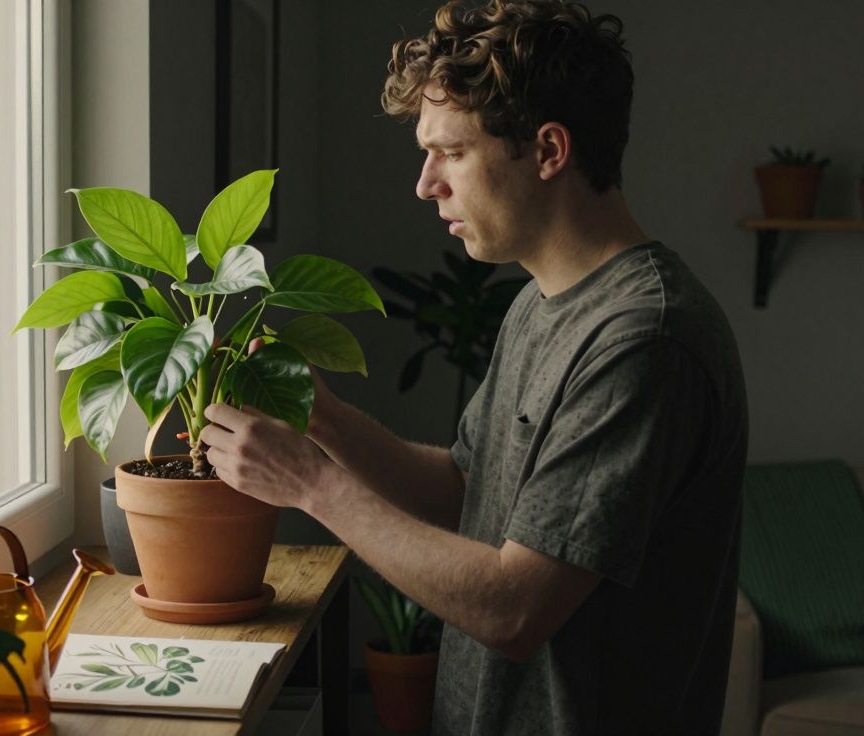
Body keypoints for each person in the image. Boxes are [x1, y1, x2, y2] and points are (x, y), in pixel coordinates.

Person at [200, 0, 749, 734]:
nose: (427, 184)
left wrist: (309, 483)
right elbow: (468, 491)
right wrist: (320, 417)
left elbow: (514, 608)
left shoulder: (646, 340)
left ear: (549, 151)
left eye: (452, 153)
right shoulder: (539, 303)